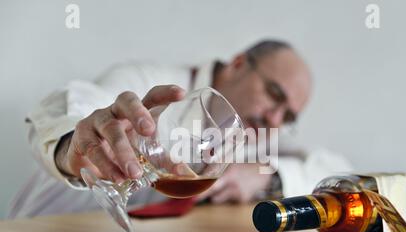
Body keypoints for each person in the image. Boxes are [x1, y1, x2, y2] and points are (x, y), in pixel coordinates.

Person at [9, 40, 352, 218]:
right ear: (237, 64)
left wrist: (267, 177)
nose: (276, 120)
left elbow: (341, 174)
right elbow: (71, 107)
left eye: (288, 117)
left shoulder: (254, 131)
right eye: (274, 95)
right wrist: (72, 145)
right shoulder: (153, 86)